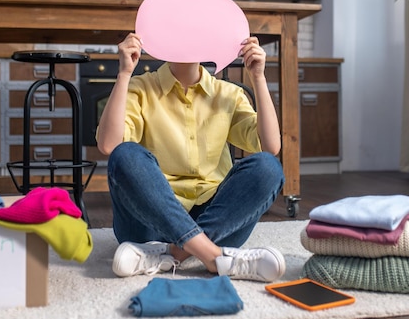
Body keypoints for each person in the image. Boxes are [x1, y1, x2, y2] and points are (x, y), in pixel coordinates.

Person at [96, 32, 286, 282]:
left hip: (218, 224)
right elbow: (109, 145)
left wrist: (258, 78)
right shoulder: (140, 87)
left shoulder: (229, 94)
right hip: (149, 224)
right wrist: (123, 74)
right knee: (125, 154)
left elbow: (270, 146)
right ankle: (213, 257)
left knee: (268, 167)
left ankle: (172, 254)